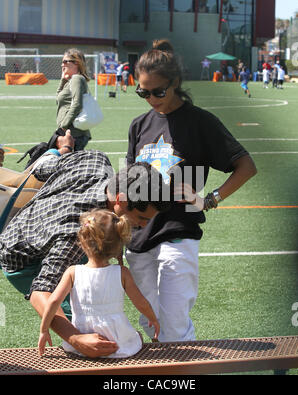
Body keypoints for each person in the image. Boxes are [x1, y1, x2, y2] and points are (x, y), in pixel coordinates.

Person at [125, 39, 257, 343]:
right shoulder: (138, 125)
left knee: (173, 327)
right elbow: (131, 183)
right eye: (143, 92)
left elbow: (246, 166)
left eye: (158, 91)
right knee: (151, 324)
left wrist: (209, 199)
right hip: (138, 239)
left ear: (175, 84)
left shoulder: (200, 122)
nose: (151, 99)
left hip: (178, 232)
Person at [0, 130, 170, 357]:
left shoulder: (95, 160)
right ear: (120, 200)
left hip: (34, 229)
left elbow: (42, 169)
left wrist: (64, 150)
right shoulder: (75, 236)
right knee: (101, 340)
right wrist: (76, 338)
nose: (142, 227)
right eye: (141, 220)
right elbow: (41, 291)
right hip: (24, 260)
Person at [38, 209, 159, 357]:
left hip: (83, 341)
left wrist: (44, 330)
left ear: (82, 241)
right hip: (117, 342)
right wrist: (153, 319)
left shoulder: (72, 272)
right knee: (137, 337)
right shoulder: (122, 272)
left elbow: (53, 301)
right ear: (118, 246)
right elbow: (141, 303)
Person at [56, 48, 91, 151]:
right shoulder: (71, 80)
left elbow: (77, 104)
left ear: (76, 63)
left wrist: (63, 126)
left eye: (65, 62)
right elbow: (58, 98)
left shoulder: (77, 79)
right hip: (70, 133)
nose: (62, 65)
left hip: (74, 134)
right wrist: (63, 79)